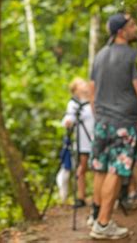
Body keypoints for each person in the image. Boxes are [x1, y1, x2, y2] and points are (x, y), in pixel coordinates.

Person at [88, 13, 137, 240]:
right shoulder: (134, 57)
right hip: (124, 122)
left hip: (103, 122)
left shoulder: (100, 55)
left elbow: (92, 92)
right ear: (121, 31)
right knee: (116, 171)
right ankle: (103, 224)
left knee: (100, 169)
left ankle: (95, 215)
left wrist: (99, 116)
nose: (136, 28)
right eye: (132, 25)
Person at [60, 77, 94, 207]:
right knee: (82, 167)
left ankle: (99, 197)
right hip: (83, 141)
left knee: (98, 168)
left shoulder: (94, 98)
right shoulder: (74, 103)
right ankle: (81, 196)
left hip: (95, 137)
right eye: (80, 84)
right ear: (75, 89)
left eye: (83, 82)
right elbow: (69, 117)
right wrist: (68, 122)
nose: (84, 85)